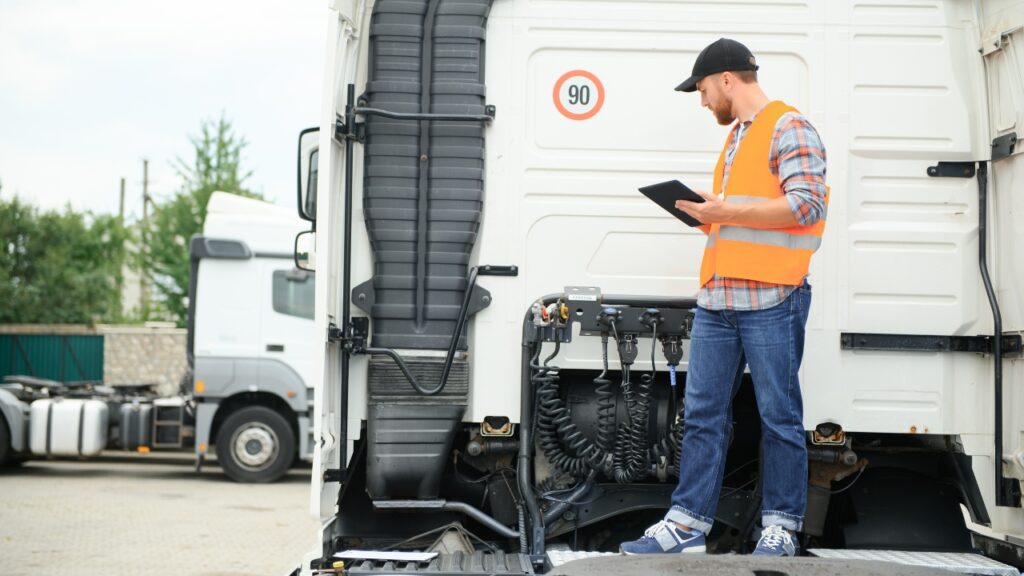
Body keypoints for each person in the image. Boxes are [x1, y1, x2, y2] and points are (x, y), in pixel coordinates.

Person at [620, 38, 828, 557]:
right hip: (719, 299)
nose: (702, 99)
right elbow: (740, 217)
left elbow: (804, 205)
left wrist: (726, 211)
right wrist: (708, 215)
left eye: (704, 89)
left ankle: (781, 525)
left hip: (773, 299)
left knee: (778, 415)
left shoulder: (790, 127)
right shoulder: (737, 137)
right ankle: (686, 523)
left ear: (728, 79)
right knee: (703, 414)